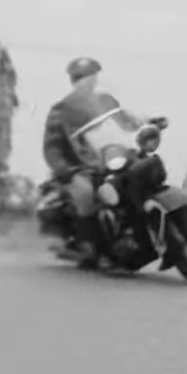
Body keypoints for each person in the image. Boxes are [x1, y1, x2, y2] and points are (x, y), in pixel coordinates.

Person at [42, 56, 125, 263]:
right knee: (86, 193)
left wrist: (146, 124)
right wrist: (62, 168)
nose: (88, 81)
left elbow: (126, 122)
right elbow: (52, 145)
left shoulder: (106, 102)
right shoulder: (61, 110)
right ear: (73, 80)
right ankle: (88, 245)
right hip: (77, 168)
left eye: (91, 76)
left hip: (109, 161)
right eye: (81, 77)